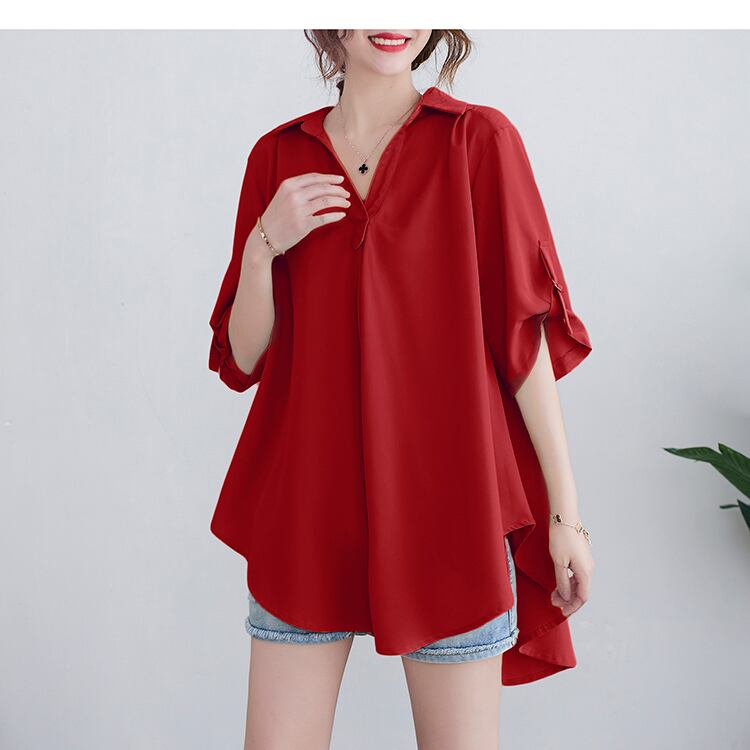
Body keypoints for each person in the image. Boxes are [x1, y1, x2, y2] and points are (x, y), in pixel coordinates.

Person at [208, 29, 595, 750]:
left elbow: (524, 345)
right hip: (306, 514)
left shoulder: (477, 141)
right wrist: (264, 244)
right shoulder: (278, 157)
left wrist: (565, 516)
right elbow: (244, 355)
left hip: (453, 515)